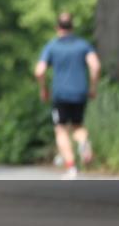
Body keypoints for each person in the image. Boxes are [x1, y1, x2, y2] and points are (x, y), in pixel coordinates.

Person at [34, 12, 101, 179]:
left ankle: (71, 167)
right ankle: (84, 143)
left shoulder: (52, 46)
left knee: (61, 129)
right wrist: (93, 87)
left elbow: (39, 71)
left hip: (60, 94)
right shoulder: (83, 45)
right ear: (72, 27)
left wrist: (43, 89)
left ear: (57, 28)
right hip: (80, 92)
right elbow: (96, 66)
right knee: (78, 125)